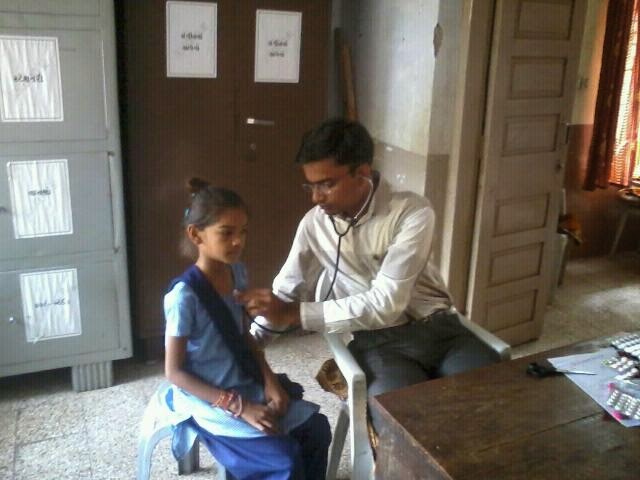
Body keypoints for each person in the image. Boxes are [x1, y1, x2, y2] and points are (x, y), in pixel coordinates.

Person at [237, 119, 501, 431]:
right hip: (379, 342)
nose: (316, 198)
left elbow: (387, 303)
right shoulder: (314, 224)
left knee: (490, 401)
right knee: (407, 424)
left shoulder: (412, 212)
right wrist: (250, 344)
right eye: (311, 186)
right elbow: (287, 289)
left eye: (326, 184)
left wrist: (296, 314)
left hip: (441, 330)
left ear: (362, 173)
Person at [164, 178, 331, 480]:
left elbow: (243, 336)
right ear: (196, 234)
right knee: (283, 461)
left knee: (317, 430)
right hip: (209, 396)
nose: (237, 242)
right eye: (226, 233)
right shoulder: (183, 297)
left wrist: (270, 382)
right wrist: (240, 407)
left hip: (244, 380)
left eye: (243, 232)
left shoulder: (236, 273)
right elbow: (174, 373)